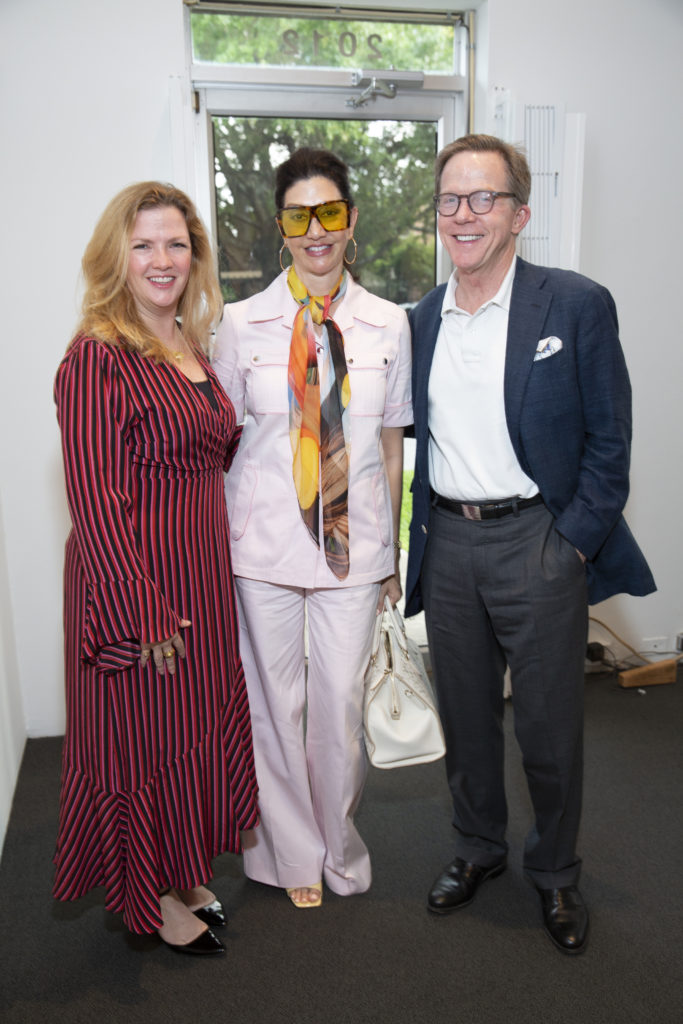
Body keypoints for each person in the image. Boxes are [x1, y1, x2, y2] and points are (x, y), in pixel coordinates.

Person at [405, 134, 655, 954]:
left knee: (548, 732)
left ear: (519, 212)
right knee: (466, 723)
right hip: (448, 547)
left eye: (482, 198)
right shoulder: (420, 320)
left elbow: (608, 442)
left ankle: (554, 874)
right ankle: (477, 849)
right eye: (450, 199)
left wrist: (572, 544)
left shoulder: (574, 304)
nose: (463, 214)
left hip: (536, 546)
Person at [53, 182, 259, 956]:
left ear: (195, 257)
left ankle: (181, 869)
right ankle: (148, 900)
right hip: (135, 586)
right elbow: (94, 500)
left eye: (176, 243)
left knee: (189, 732)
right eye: (143, 245)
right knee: (140, 743)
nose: (162, 259)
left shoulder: (188, 345)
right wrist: (140, 606)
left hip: (201, 582)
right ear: (117, 257)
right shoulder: (96, 358)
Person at [213, 147, 411, 908]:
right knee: (274, 707)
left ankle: (339, 847)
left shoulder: (388, 322)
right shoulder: (240, 324)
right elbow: (222, 439)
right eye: (299, 216)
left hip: (351, 552)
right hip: (261, 548)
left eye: (329, 212)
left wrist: (389, 552)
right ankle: (290, 858)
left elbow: (391, 447)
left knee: (338, 709)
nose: (315, 231)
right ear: (282, 227)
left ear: (350, 220)